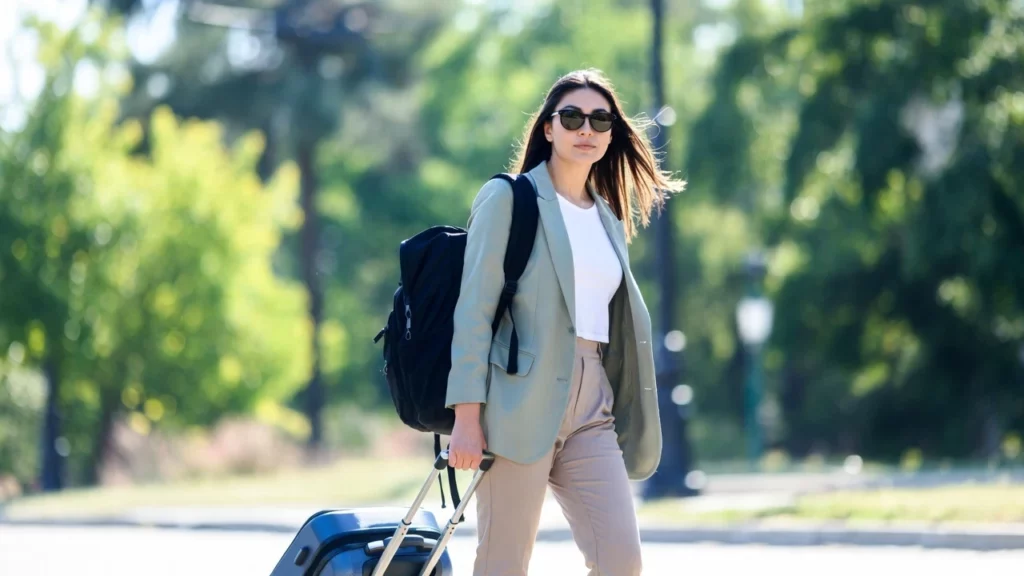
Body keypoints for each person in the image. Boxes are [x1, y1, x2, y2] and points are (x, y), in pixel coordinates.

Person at [444, 68, 686, 576]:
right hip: (517, 399)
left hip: (592, 405)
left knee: (621, 560)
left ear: (611, 134)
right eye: (572, 116)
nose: (586, 129)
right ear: (548, 128)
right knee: (503, 564)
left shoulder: (608, 218)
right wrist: (466, 417)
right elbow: (474, 310)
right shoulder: (509, 198)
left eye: (600, 120)